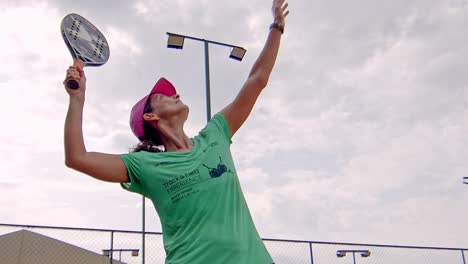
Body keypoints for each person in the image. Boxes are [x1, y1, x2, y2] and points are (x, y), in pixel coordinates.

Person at [63, 0, 289, 263]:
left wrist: (276, 26)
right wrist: (77, 99)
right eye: (165, 96)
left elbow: (257, 79)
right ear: (151, 116)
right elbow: (77, 158)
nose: (175, 95)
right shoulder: (145, 165)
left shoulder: (215, 135)